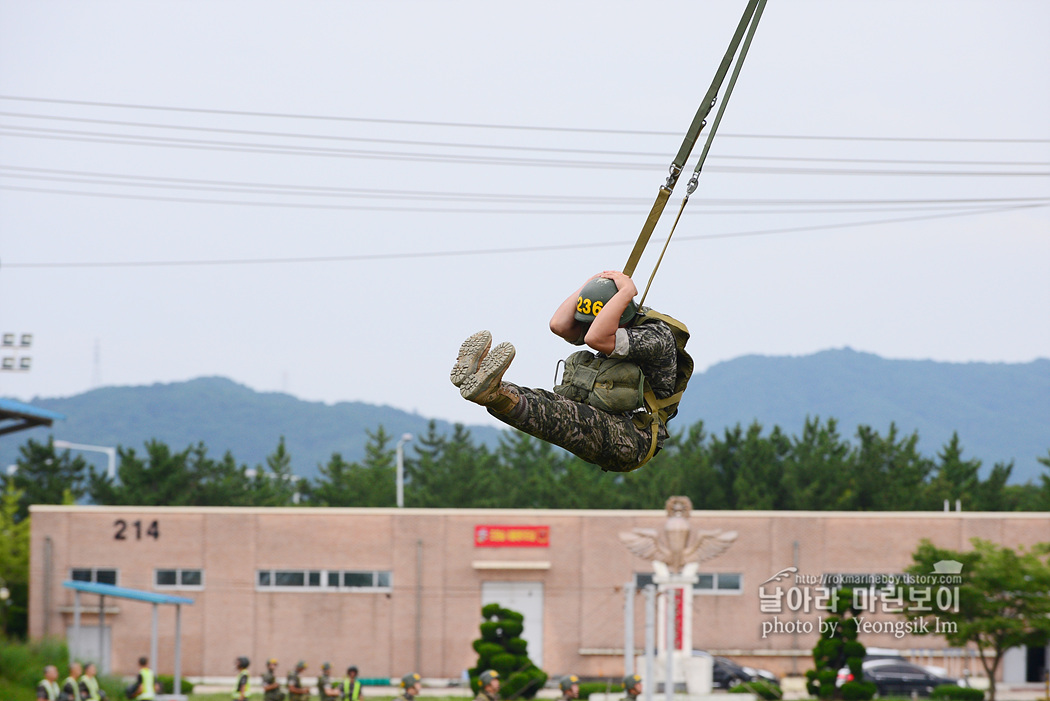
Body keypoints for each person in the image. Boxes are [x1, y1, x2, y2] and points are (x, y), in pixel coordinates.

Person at [452, 271, 691, 472]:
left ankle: (493, 393)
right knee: (544, 399)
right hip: (605, 419)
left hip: (635, 438)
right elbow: (559, 325)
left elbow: (596, 337)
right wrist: (592, 284)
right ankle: (490, 389)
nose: (586, 328)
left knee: (562, 414)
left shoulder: (655, 337)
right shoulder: (611, 325)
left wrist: (627, 292)